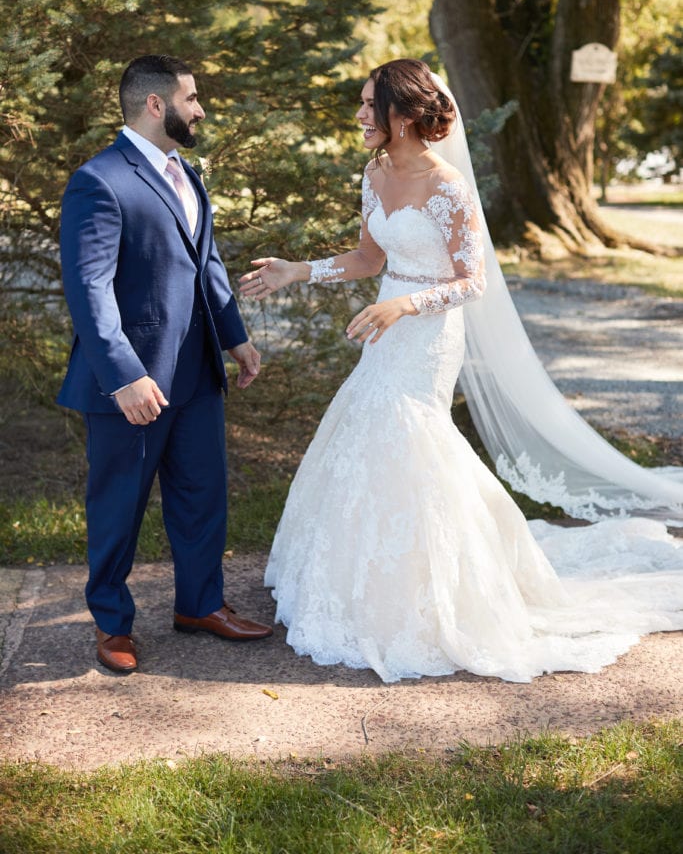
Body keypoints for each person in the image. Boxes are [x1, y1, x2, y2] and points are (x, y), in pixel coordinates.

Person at [240, 57, 683, 684]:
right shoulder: (374, 171)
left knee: (412, 438)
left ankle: (449, 590)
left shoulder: (447, 185)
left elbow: (471, 281)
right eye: (363, 103)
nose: (361, 114)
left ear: (405, 114)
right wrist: (300, 270)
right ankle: (369, 582)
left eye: (372, 105)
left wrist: (405, 303)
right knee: (370, 433)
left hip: (426, 331)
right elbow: (369, 257)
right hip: (387, 324)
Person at [58, 54, 273, 674]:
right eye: (192, 98)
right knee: (118, 504)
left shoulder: (187, 171)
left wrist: (235, 338)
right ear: (157, 105)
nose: (200, 108)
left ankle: (201, 605)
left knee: (203, 497)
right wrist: (124, 375)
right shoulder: (99, 180)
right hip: (131, 382)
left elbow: (206, 262)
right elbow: (89, 290)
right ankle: (112, 624)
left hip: (197, 372)